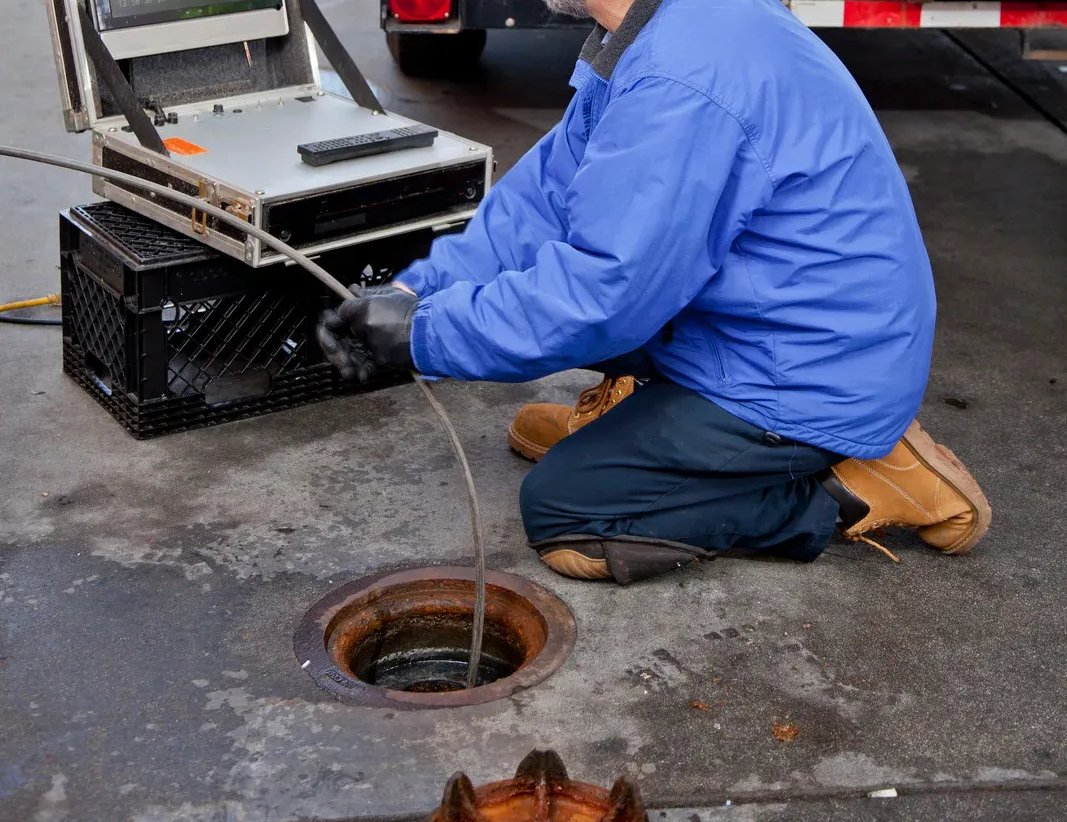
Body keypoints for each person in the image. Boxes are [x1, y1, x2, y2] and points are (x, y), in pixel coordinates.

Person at [318, 0, 991, 585]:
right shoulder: (658, 29)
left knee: (568, 510)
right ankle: (659, 439)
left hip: (809, 371)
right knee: (575, 295)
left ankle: (842, 487)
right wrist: (412, 293)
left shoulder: (682, 73)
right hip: (774, 326)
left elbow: (604, 296)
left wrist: (423, 335)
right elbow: (540, 209)